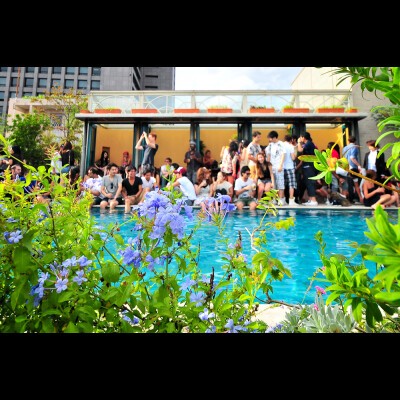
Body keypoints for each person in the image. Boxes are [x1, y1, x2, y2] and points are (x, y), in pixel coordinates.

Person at [297, 132, 318, 206]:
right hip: (307, 166)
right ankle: (310, 199)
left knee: (310, 182)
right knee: (307, 182)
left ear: (303, 137)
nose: (300, 139)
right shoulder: (308, 144)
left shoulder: (308, 143)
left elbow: (300, 150)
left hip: (309, 166)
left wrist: (298, 142)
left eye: (300, 137)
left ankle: (314, 200)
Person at [265, 131, 286, 205]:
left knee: (280, 183)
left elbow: (283, 154)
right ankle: (274, 199)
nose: (269, 140)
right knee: (273, 184)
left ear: (274, 137)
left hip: (278, 166)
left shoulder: (281, 144)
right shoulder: (270, 145)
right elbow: (268, 155)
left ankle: (280, 199)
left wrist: (281, 165)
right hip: (272, 167)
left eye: (270, 138)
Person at [342, 136, 363, 203]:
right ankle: (360, 198)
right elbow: (352, 158)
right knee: (356, 184)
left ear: (348, 141)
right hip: (353, 167)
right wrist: (359, 165)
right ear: (355, 141)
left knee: (347, 184)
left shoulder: (345, 148)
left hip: (345, 167)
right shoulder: (354, 147)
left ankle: (348, 199)